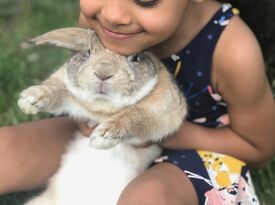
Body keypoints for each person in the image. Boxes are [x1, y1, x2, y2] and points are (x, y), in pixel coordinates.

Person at [0, 0, 274, 204]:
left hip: (200, 150)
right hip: (103, 132)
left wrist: (150, 132)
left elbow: (257, 149)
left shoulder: (232, 49)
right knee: (6, 150)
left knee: (147, 198)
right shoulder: (101, 17)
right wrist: (85, 109)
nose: (112, 14)